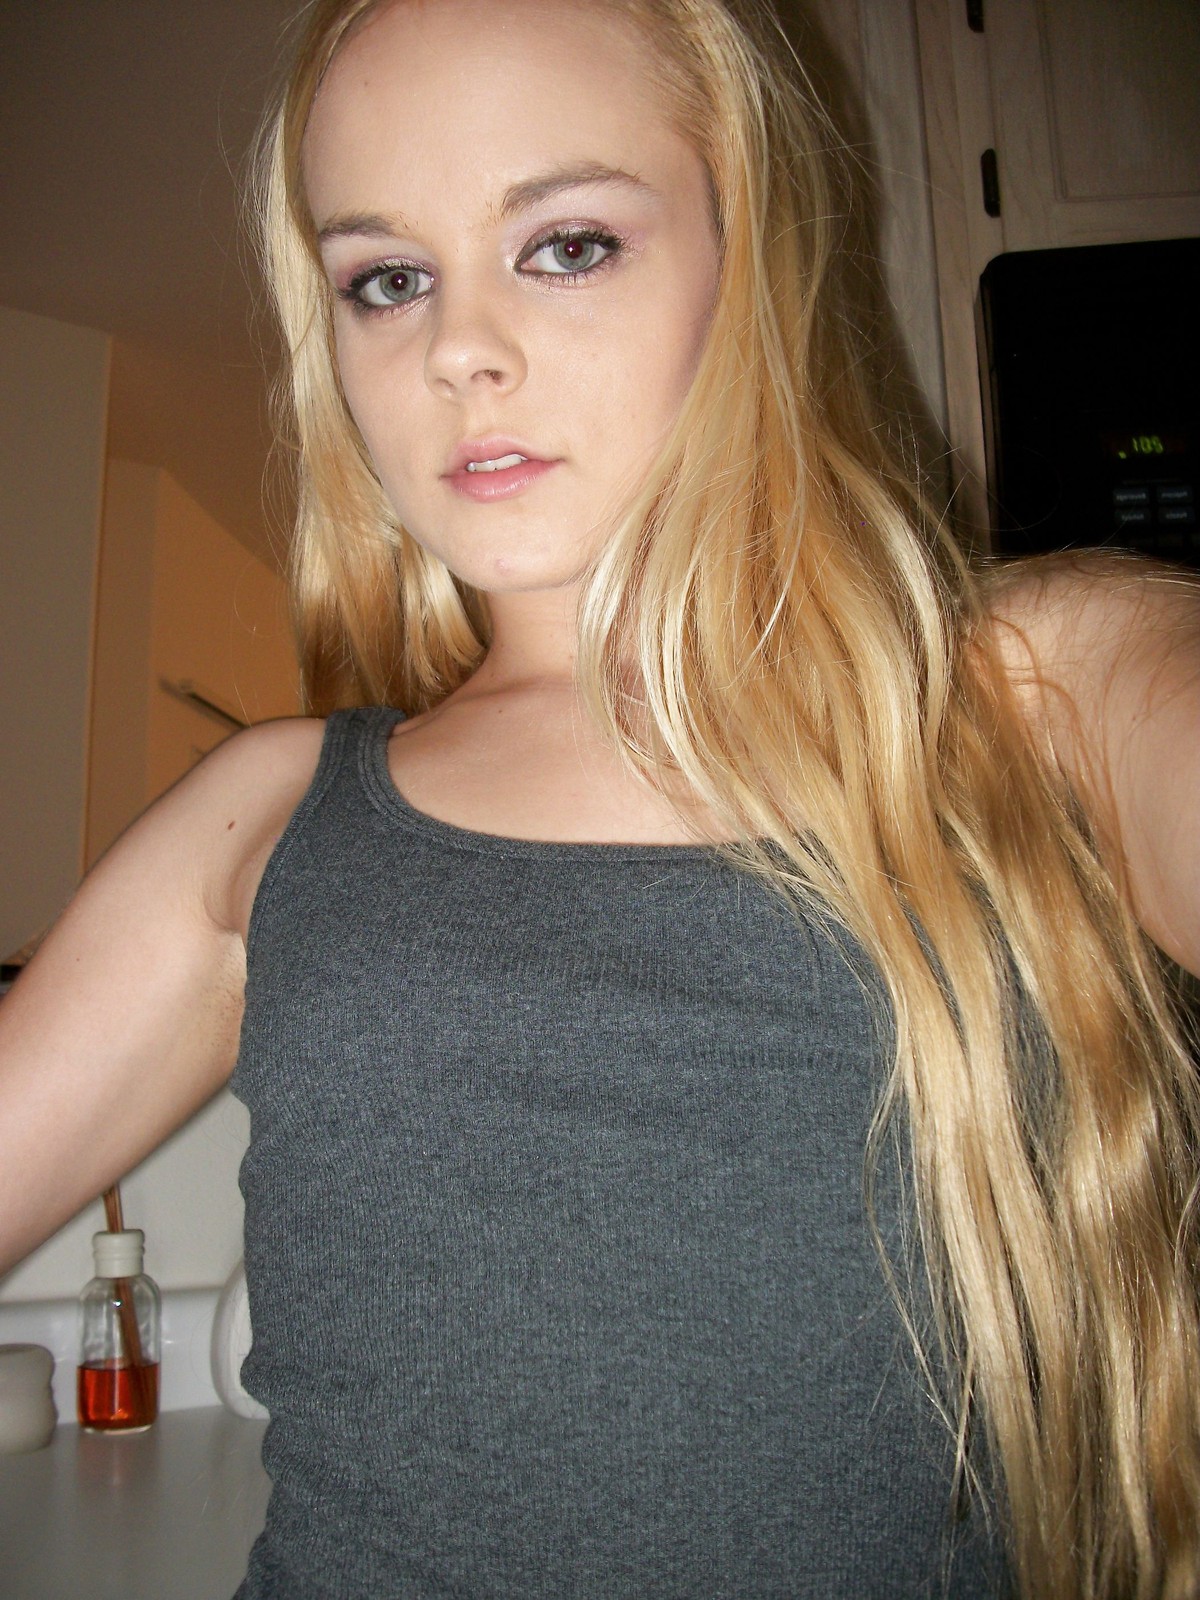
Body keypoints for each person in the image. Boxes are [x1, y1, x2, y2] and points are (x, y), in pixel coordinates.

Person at [2, 0, 1198, 1594]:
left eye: (566, 245)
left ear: (745, 255)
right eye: (387, 279)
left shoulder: (1033, 695)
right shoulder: (265, 817)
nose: (458, 349)